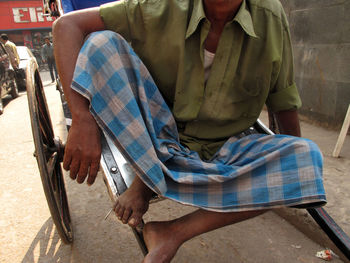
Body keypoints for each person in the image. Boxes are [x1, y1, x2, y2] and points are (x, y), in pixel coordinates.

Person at [53, 0, 326, 262]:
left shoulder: (270, 16)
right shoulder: (160, 6)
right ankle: (146, 180)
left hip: (223, 144)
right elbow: (66, 26)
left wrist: (290, 175)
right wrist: (82, 119)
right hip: (155, 130)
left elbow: (283, 98)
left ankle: (172, 231)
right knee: (101, 43)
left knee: (305, 158)